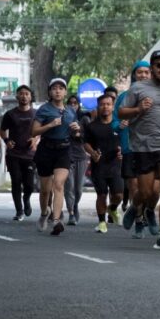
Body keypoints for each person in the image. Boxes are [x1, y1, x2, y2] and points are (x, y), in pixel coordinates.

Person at [119, 50, 160, 251]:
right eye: (159, 65)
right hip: (143, 147)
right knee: (146, 192)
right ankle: (138, 206)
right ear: (152, 68)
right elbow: (121, 112)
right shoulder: (138, 88)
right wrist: (138, 109)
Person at [31, 78, 82, 236]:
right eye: (54, 88)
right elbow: (34, 132)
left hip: (64, 150)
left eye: (61, 88)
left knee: (59, 184)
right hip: (46, 149)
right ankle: (44, 214)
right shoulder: (44, 110)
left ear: (65, 92)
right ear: (50, 92)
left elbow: (77, 134)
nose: (58, 91)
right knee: (45, 190)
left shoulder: (70, 111)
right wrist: (50, 125)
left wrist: (76, 130)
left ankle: (56, 219)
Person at [113, 61, 152, 238]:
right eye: (140, 72)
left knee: (149, 190)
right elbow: (113, 122)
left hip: (150, 148)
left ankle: (140, 210)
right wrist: (119, 125)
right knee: (135, 187)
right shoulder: (123, 97)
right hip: (129, 148)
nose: (143, 75)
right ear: (134, 75)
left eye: (146, 72)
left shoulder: (156, 95)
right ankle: (138, 220)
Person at [83, 94, 124, 234]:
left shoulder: (119, 125)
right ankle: (101, 222)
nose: (105, 107)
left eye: (108, 104)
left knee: (118, 194)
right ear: (98, 107)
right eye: (102, 104)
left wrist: (123, 151)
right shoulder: (92, 126)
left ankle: (112, 209)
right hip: (99, 164)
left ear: (113, 107)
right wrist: (92, 152)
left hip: (116, 164)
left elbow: (127, 141)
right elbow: (86, 143)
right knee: (101, 194)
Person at [0, 85, 38, 221]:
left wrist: (35, 139)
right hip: (13, 154)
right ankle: (19, 211)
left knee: (29, 185)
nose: (24, 96)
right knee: (16, 181)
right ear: (17, 97)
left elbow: (40, 131)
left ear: (30, 97)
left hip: (30, 155)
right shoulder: (10, 114)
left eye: (26, 94)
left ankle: (26, 199)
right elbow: (2, 130)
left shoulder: (36, 114)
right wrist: (6, 140)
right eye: (21, 94)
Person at [63, 94, 91, 226]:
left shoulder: (84, 119)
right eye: (70, 103)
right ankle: (71, 214)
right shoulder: (63, 118)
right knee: (69, 186)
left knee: (78, 189)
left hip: (81, 156)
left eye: (75, 103)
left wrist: (80, 133)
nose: (73, 105)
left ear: (79, 104)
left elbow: (90, 137)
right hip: (66, 155)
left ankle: (75, 206)